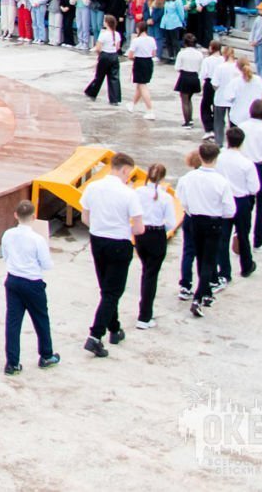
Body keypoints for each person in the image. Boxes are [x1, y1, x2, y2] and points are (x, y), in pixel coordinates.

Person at [80, 151, 142, 357]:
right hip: (119, 242)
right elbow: (138, 227)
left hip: (97, 239)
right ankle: (95, 335)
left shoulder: (93, 187)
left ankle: (114, 328)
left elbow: (85, 217)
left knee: (107, 288)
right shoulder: (128, 193)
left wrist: (100, 226)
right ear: (124, 170)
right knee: (112, 292)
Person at [176, 142, 236, 317]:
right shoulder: (221, 182)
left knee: (200, 256)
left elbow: (182, 200)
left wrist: (192, 210)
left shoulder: (188, 178)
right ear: (216, 158)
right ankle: (198, 297)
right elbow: (230, 209)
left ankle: (206, 293)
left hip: (195, 219)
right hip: (213, 222)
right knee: (209, 260)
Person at [0, 200, 58, 376]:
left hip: (13, 280)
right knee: (41, 319)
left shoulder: (8, 234)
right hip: (32, 282)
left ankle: (12, 363)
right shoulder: (37, 239)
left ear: (15, 215)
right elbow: (46, 264)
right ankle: (46, 355)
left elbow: (5, 256)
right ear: (33, 217)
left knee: (13, 322)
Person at [217, 126, 260, 281]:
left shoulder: (219, 158)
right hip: (241, 200)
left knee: (223, 237)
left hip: (223, 199)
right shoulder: (246, 163)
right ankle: (246, 265)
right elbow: (254, 188)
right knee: (243, 235)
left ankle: (224, 271)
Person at [134, 163, 173, 329]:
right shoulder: (166, 197)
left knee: (146, 270)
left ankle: (145, 310)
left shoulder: (138, 192)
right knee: (151, 275)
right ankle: (144, 315)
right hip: (156, 234)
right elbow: (170, 223)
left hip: (141, 234)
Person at [83, 15, 123, 105]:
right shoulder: (117, 34)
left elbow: (98, 47)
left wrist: (99, 55)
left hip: (105, 55)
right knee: (114, 77)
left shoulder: (103, 34)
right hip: (114, 56)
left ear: (107, 23)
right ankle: (114, 99)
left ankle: (92, 92)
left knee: (99, 76)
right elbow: (118, 47)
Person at [173, 34, 204, 128]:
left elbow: (177, 67)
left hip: (185, 76)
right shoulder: (199, 54)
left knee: (184, 100)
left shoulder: (182, 53)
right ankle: (190, 119)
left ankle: (187, 122)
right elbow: (201, 67)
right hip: (194, 76)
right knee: (189, 99)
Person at [128, 26, 157, 118]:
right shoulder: (152, 39)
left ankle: (150, 110)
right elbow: (154, 54)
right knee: (140, 85)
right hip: (149, 62)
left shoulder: (136, 40)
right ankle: (133, 104)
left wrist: (134, 58)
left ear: (138, 29)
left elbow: (130, 55)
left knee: (142, 86)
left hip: (139, 61)